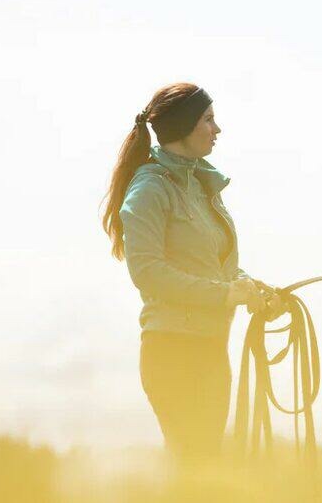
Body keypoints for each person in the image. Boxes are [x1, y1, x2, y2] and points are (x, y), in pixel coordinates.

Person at [100, 82, 278, 466]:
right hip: (172, 352)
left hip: (210, 349)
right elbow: (147, 272)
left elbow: (216, 265)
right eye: (208, 120)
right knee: (193, 468)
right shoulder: (150, 189)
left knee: (201, 467)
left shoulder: (200, 185)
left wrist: (250, 286)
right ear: (184, 126)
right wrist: (225, 295)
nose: (217, 129)